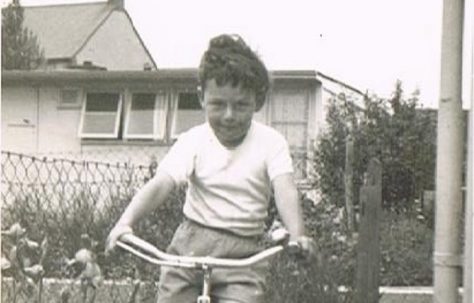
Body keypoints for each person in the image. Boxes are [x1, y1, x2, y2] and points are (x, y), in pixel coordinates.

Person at [106, 33, 316, 303]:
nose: (229, 115)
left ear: (258, 101)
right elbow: (162, 183)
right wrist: (125, 222)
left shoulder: (270, 143)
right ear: (202, 98)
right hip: (190, 247)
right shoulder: (193, 140)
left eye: (240, 105)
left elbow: (285, 190)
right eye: (218, 104)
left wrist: (298, 236)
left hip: (244, 255)